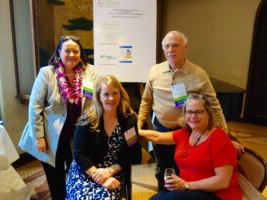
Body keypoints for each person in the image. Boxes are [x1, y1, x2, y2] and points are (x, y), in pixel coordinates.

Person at [138, 30, 244, 191]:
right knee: (163, 168)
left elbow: (214, 105)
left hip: (188, 132)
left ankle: (181, 195)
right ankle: (164, 195)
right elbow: (146, 100)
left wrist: (225, 136)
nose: (171, 50)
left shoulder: (198, 74)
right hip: (162, 128)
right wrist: (138, 126)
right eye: (167, 46)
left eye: (175, 45)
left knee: (184, 170)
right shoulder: (155, 71)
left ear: (185, 47)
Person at [19, 35, 97, 200]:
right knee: (55, 177)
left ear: (80, 53)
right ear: (59, 52)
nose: (71, 55)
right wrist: (39, 136)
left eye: (75, 51)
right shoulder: (47, 73)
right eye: (67, 50)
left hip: (77, 135)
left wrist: (90, 133)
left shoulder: (89, 72)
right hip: (51, 135)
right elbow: (35, 107)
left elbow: (90, 103)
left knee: (77, 173)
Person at [139, 93, 242, 200]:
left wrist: (187, 185)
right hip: (189, 191)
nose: (193, 116)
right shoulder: (185, 133)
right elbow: (156, 136)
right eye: (189, 112)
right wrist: (134, 132)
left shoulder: (218, 138)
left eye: (198, 112)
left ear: (209, 114)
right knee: (158, 198)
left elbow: (222, 181)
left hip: (217, 195)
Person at [66, 75, 142, 199]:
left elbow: (132, 153)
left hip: (114, 170)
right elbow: (79, 153)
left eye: (115, 93)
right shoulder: (87, 119)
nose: (111, 98)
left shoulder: (129, 120)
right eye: (106, 94)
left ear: (121, 94)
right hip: (86, 170)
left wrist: (110, 171)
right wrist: (99, 177)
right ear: (98, 96)